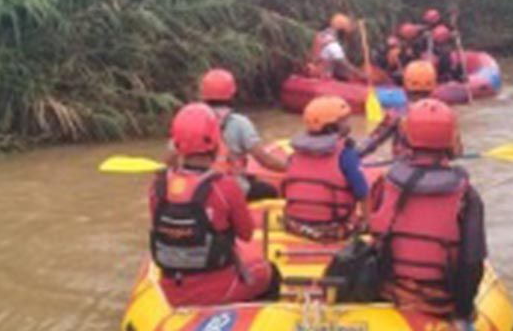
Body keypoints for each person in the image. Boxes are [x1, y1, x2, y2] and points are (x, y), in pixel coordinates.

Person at [149, 103, 278, 306]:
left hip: (171, 288)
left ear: (176, 143)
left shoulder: (158, 185)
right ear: (216, 141)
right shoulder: (225, 186)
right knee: (270, 272)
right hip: (217, 287)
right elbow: (246, 234)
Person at [368, 99, 485, 318]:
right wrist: (465, 310)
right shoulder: (467, 196)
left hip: (389, 293)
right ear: (451, 138)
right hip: (439, 300)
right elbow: (472, 263)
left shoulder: (384, 183)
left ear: (408, 136)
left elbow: (373, 234)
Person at [281, 95, 370, 240]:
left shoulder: (295, 154)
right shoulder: (346, 154)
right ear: (332, 126)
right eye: (344, 121)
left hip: (294, 224)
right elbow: (363, 194)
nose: (348, 124)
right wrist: (368, 223)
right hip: (331, 228)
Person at [198, 68, 287, 200]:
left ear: (203, 94)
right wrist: (292, 168)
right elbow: (265, 160)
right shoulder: (240, 123)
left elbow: (170, 158)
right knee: (270, 191)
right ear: (231, 93)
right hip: (232, 189)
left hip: (198, 188)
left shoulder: (192, 119)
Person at [358, 60, 437, 158]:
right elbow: (456, 152)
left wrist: (351, 156)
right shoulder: (445, 114)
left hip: (404, 166)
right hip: (438, 167)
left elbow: (372, 141)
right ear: (434, 86)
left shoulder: (397, 114)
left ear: (405, 85)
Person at [308, 13, 365, 81]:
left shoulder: (321, 35)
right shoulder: (333, 45)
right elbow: (344, 64)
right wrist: (360, 73)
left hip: (318, 72)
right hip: (322, 77)